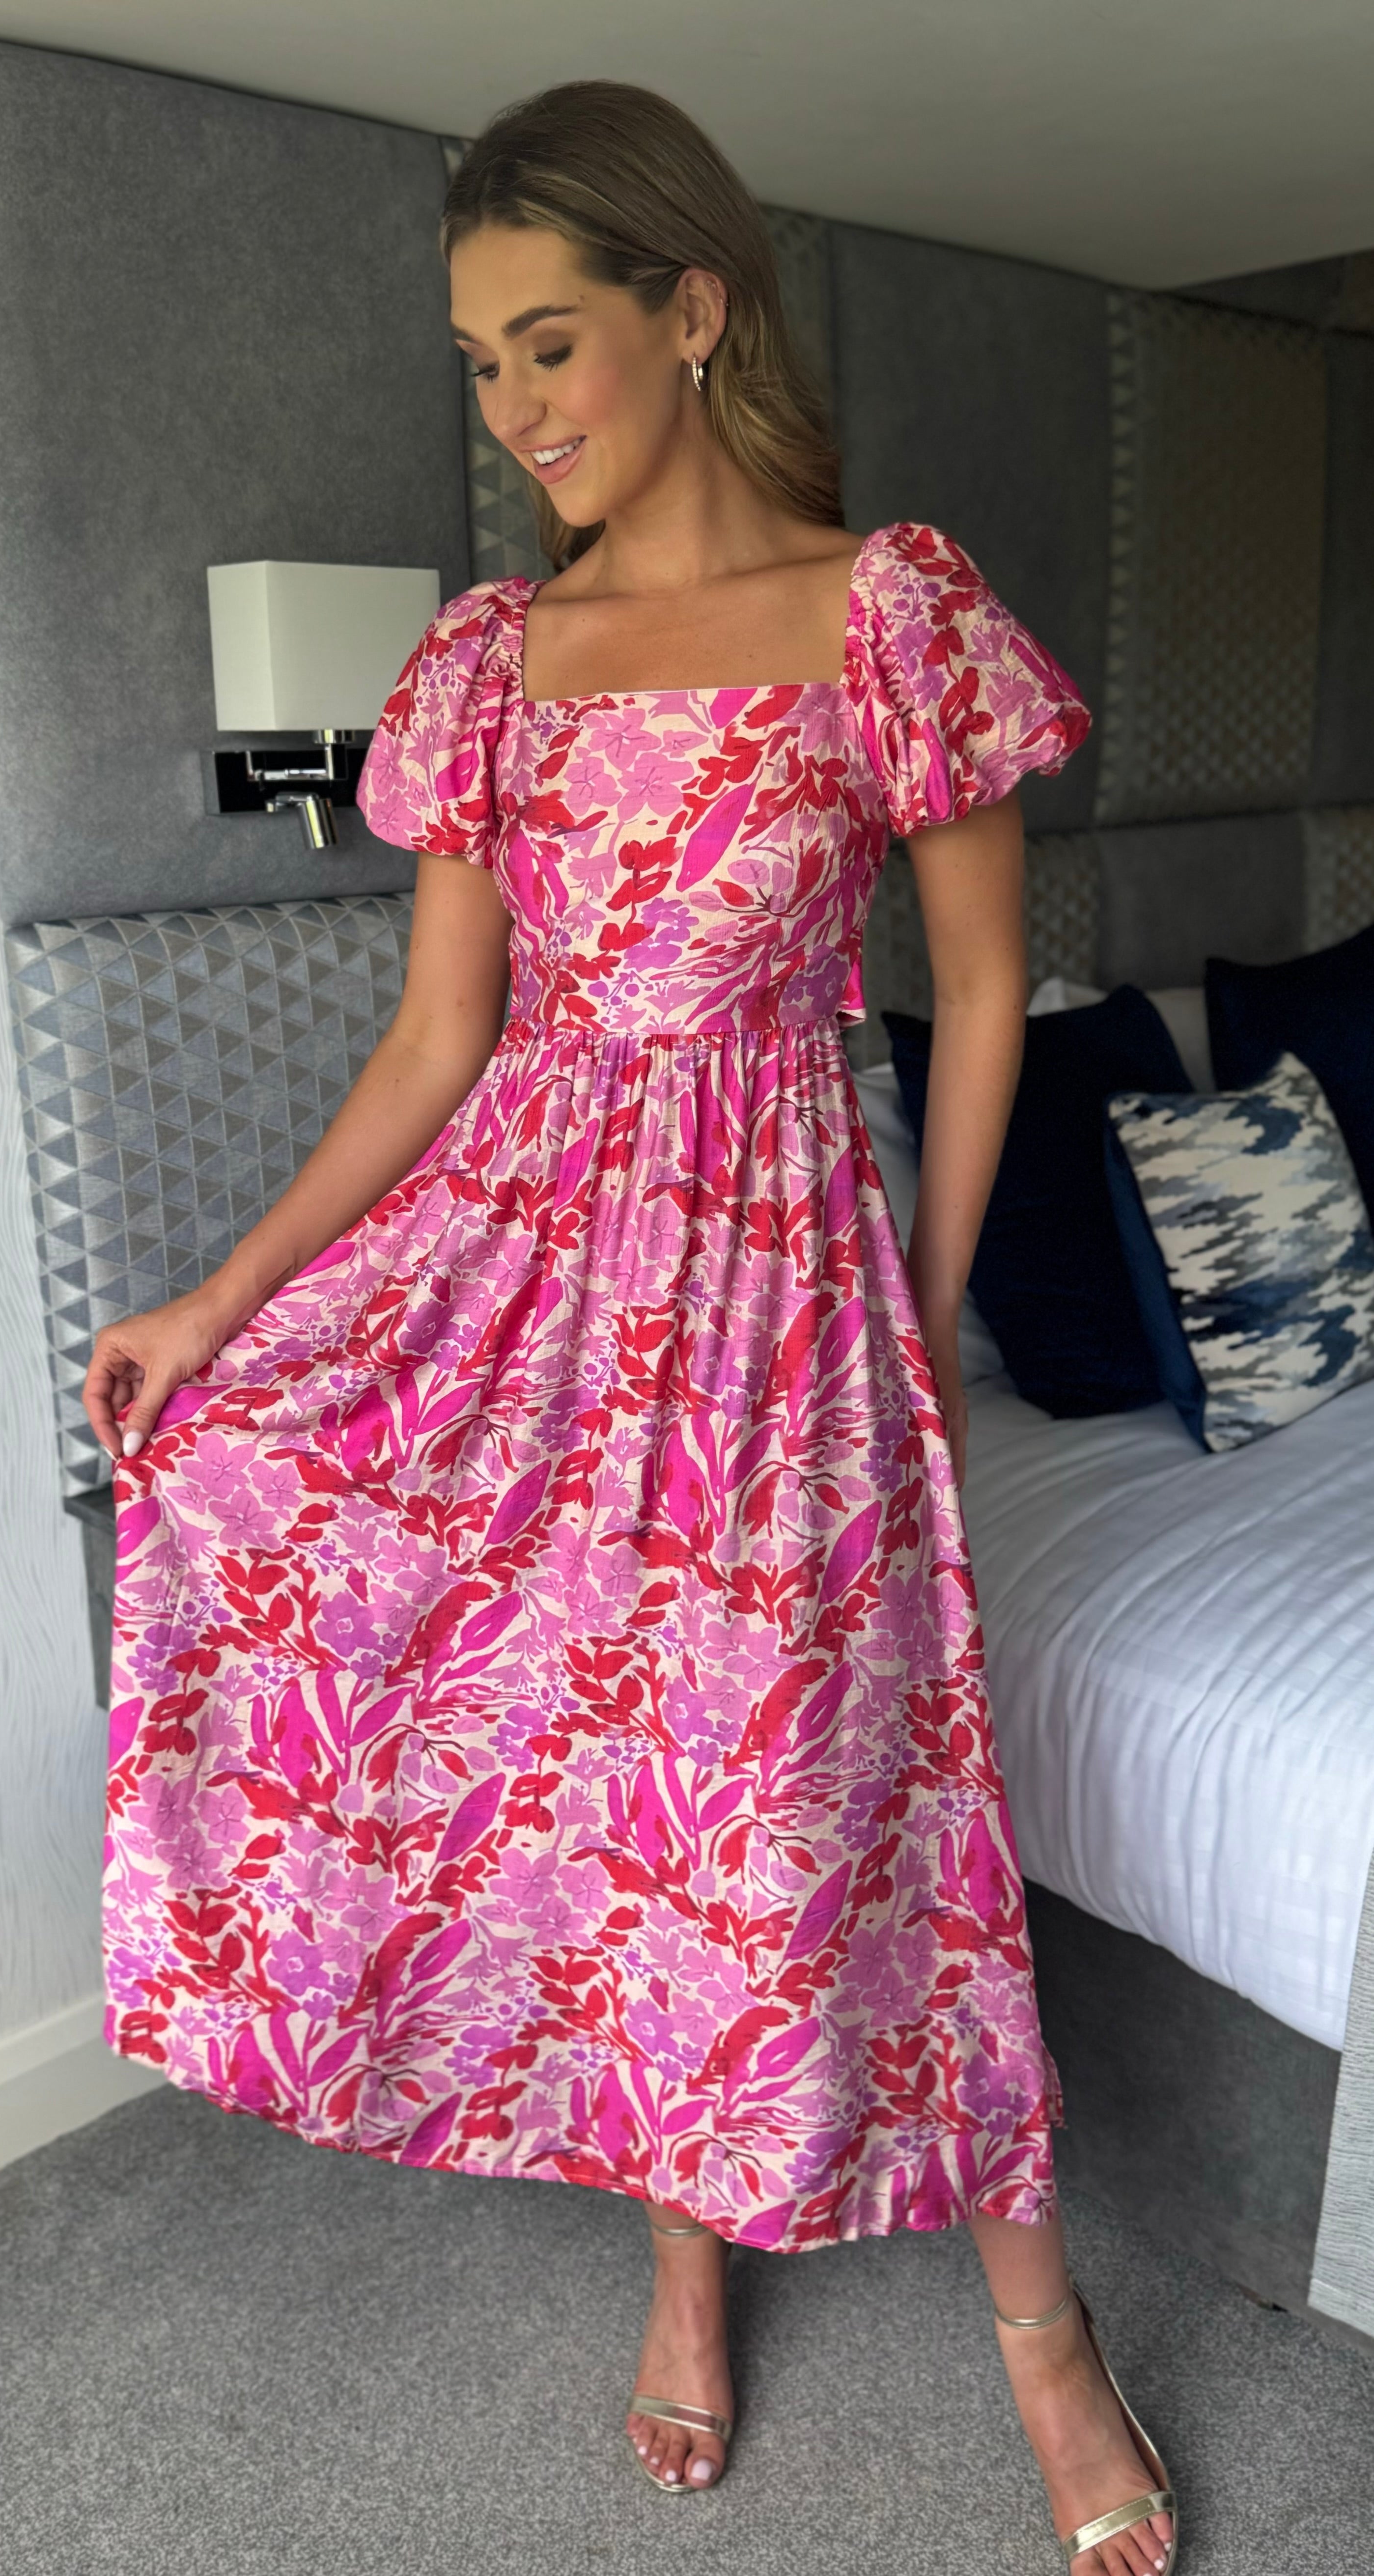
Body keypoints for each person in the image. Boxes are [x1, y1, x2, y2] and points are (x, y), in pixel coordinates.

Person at [85, 79, 1176, 2573]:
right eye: (480, 364)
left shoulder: (891, 611)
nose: (516, 409)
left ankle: (1045, 2332)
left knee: (867, 1788)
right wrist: (219, 1297)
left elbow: (980, 1006)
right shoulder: (496, 658)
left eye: (550, 342)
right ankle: (683, 2260)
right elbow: (433, 1043)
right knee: (603, 1784)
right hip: (528, 1282)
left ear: (693, 311)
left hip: (784, 1290)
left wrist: (919, 1318)